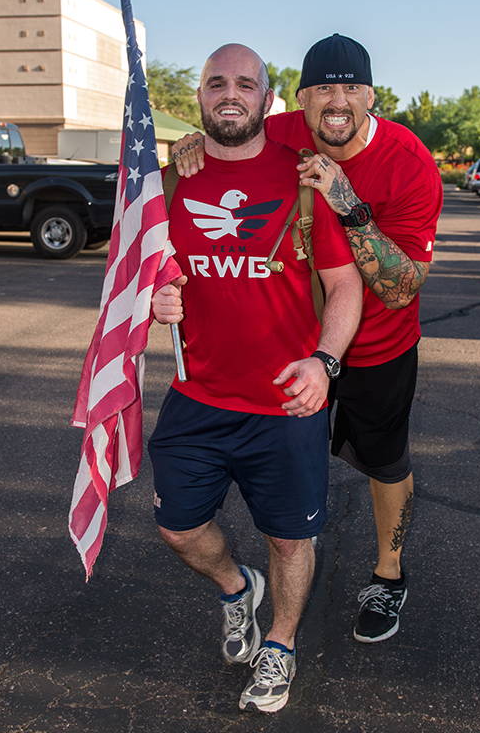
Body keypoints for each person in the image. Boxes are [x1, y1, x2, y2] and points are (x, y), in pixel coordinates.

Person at [171, 34, 443, 646]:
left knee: (383, 461)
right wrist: (194, 145)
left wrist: (347, 201)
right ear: (300, 98)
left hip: (378, 343)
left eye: (350, 88)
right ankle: (272, 581)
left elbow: (400, 288)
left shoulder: (409, 161)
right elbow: (228, 132)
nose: (336, 100)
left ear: (372, 96)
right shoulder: (284, 127)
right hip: (297, 344)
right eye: (323, 88)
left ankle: (387, 573)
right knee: (292, 481)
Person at [149, 42, 362, 713]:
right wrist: (157, 300)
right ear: (202, 98)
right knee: (179, 529)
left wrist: (324, 363)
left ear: (268, 99)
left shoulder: (303, 178)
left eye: (245, 82)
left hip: (285, 404)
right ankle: (237, 587)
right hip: (197, 397)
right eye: (217, 83)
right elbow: (145, 271)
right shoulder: (173, 181)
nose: (230, 92)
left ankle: (282, 642)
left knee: (290, 538)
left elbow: (344, 283)